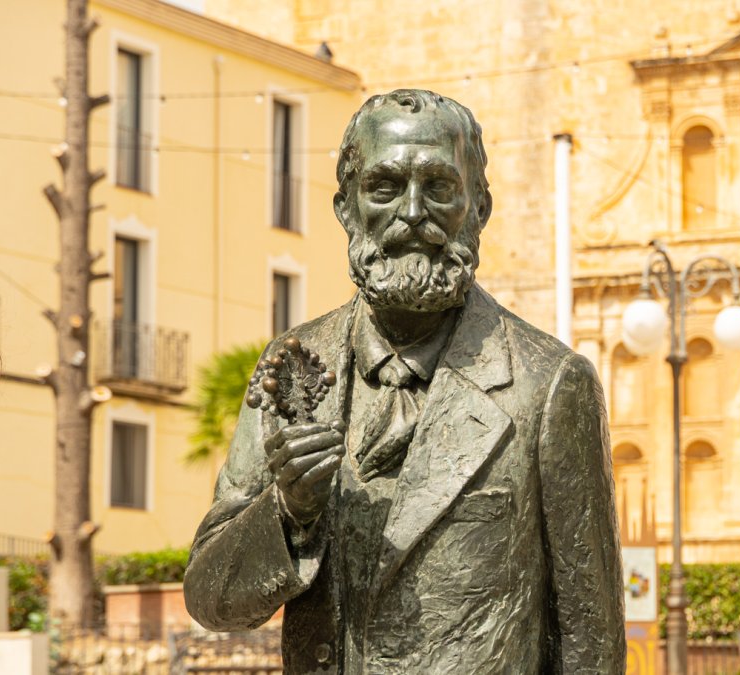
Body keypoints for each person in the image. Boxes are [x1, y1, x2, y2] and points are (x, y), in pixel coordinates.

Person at [183, 89, 626, 672]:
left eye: (439, 187)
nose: (413, 213)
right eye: (385, 188)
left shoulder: (548, 385)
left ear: (480, 206)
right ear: (346, 207)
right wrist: (288, 514)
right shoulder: (293, 366)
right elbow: (212, 602)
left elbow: (591, 640)